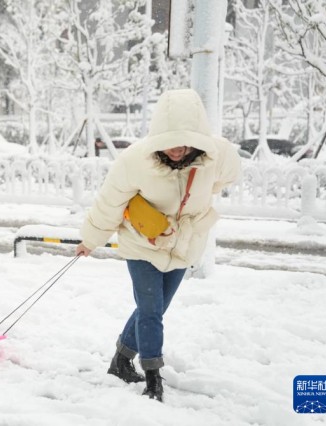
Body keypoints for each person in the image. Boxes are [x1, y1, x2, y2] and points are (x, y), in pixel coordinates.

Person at [75, 89, 241, 402]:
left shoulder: (216, 156)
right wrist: (90, 240)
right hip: (142, 246)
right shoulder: (134, 161)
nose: (176, 149)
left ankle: (121, 360)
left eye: (183, 141)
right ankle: (153, 378)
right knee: (151, 312)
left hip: (183, 246)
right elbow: (109, 203)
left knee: (154, 307)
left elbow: (226, 178)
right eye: (169, 141)